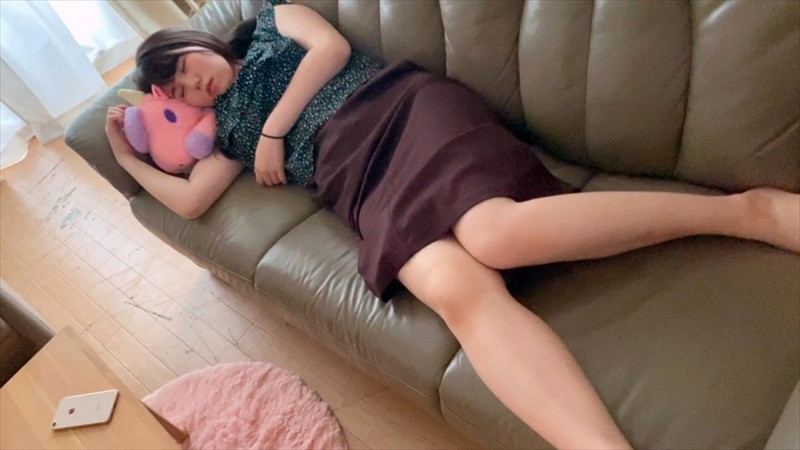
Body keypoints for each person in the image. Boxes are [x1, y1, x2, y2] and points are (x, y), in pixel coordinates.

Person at [105, 2, 800, 449]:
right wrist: (125, 155)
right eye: (182, 90)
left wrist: (274, 131)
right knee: (452, 289)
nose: (198, 85)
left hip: (401, 111)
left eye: (189, 66)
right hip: (359, 183)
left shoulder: (269, 22)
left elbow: (331, 52)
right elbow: (190, 202)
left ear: (196, 40)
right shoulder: (223, 131)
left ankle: (745, 211)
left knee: (494, 235)